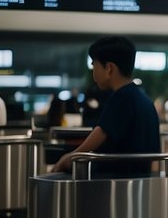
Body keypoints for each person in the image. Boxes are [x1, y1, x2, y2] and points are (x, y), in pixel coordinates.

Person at [54, 36, 160, 177]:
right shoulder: (143, 99)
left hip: (114, 184)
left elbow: (96, 138)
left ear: (109, 68)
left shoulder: (121, 97)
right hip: (140, 182)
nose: (93, 73)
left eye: (94, 65)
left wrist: (67, 159)